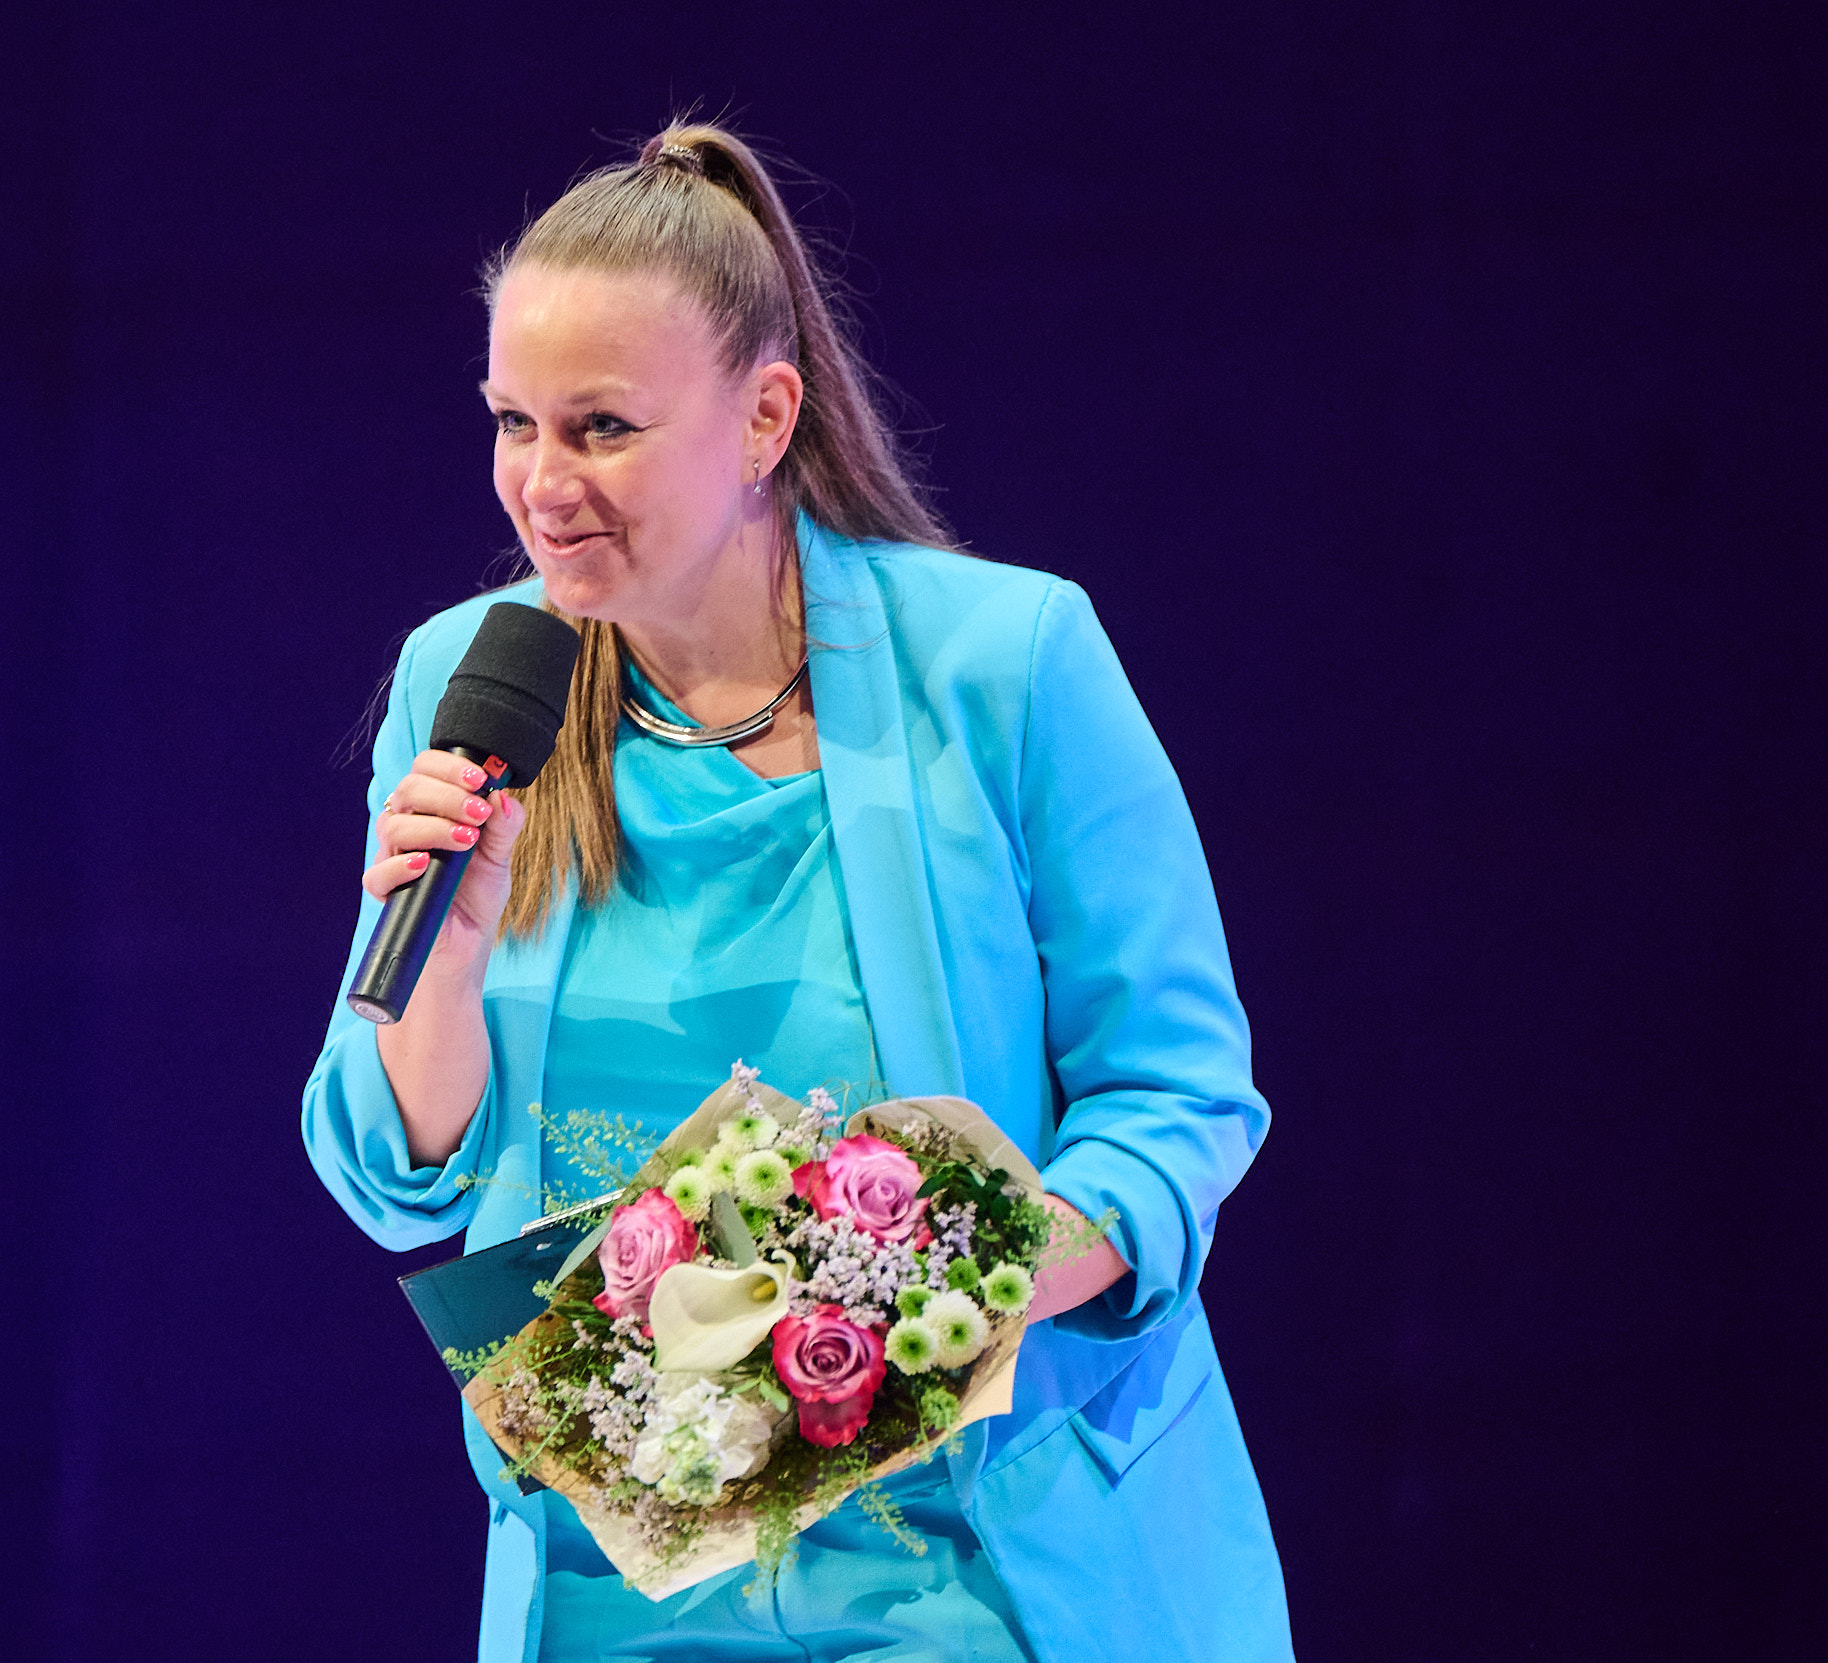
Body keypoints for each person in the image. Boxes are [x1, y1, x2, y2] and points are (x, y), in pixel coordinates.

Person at [302, 122, 1290, 1663]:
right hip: (616, 1584)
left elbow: (1177, 1099)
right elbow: (394, 1177)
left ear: (765, 418)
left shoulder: (1005, 662)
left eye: (604, 427)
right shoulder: (468, 679)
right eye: (513, 423)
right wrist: (448, 955)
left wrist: (929, 1304)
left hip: (970, 1567)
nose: (542, 485)